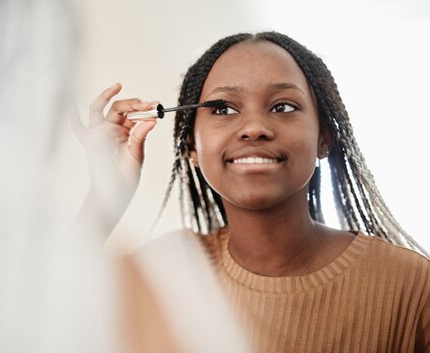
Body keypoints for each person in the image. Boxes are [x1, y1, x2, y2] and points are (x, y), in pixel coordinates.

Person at [73, 32, 430, 353]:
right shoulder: (166, 276)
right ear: (190, 148)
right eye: (223, 109)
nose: (255, 128)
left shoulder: (412, 286)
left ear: (324, 138)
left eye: (283, 106)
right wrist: (105, 197)